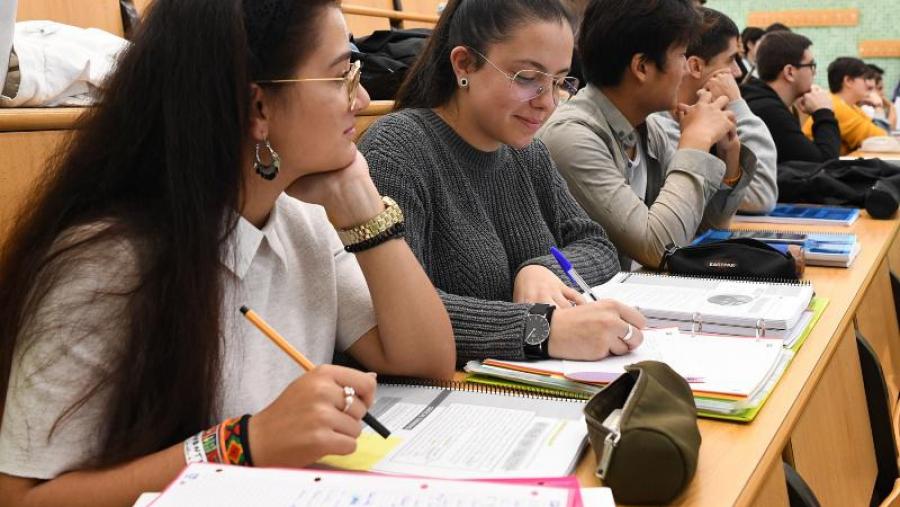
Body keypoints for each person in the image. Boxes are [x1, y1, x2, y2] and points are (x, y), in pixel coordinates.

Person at [0, 1, 456, 505]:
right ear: (258, 108)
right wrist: (242, 444)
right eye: (340, 77)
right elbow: (23, 498)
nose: (363, 97)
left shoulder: (301, 220)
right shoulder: (104, 266)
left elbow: (426, 361)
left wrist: (363, 208)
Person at [359, 0, 646, 365]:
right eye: (528, 78)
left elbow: (596, 245)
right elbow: (395, 310)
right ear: (464, 64)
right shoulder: (397, 150)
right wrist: (542, 328)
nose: (548, 103)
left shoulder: (527, 153)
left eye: (559, 82)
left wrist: (542, 269)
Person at [538, 0, 754, 270]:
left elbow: (704, 229)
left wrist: (728, 158)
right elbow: (660, 249)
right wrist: (695, 144)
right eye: (681, 56)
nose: (686, 69)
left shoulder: (648, 129)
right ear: (641, 67)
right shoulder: (571, 136)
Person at [651, 7, 777, 214]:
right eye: (731, 60)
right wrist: (737, 105)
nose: (738, 72)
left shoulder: (702, 118)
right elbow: (759, 196)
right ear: (696, 67)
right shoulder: (662, 127)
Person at [741, 31, 841, 163]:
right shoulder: (769, 111)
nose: (814, 72)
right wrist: (823, 112)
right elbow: (823, 164)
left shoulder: (766, 102)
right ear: (789, 72)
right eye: (811, 65)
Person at [801, 57, 887, 154]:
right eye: (865, 79)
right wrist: (879, 107)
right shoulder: (836, 106)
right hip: (817, 166)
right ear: (848, 81)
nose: (869, 85)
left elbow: (880, 135)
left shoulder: (851, 107)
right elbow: (881, 140)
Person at [861, 64, 896, 131]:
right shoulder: (866, 109)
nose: (883, 93)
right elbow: (887, 132)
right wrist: (890, 106)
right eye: (880, 88)